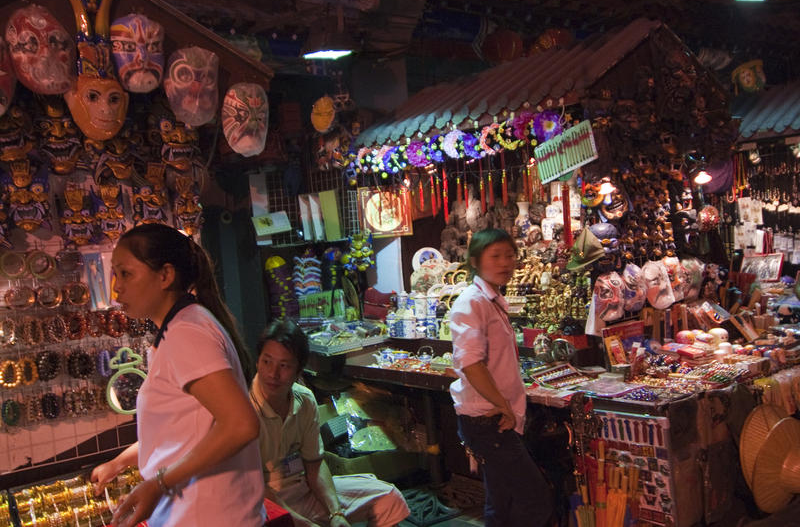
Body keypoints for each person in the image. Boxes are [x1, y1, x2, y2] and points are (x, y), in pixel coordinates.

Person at [91, 223, 265, 527]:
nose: (116, 288)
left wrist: (158, 483)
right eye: (115, 274)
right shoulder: (183, 326)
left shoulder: (187, 332)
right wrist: (120, 462)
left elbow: (241, 425)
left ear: (165, 275)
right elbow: (182, 434)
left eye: (126, 274)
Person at [250, 319, 410, 527]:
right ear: (257, 361)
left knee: (388, 498)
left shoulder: (304, 399)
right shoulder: (245, 408)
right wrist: (305, 525)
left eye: (284, 365)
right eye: (266, 361)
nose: (273, 374)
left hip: (304, 490)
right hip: (267, 505)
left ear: (298, 370)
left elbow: (314, 465)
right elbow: (257, 489)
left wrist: (336, 512)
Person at [449, 228, 553, 527]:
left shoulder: (491, 300)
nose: (505, 263)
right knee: (534, 499)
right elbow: (471, 364)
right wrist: (504, 405)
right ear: (475, 261)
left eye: (509, 255)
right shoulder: (472, 302)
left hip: (495, 416)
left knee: (502, 499)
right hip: (488, 419)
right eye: (495, 256)